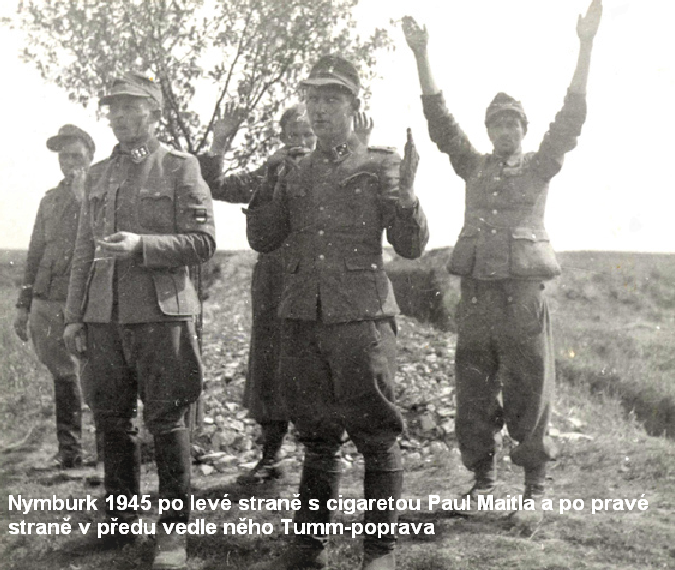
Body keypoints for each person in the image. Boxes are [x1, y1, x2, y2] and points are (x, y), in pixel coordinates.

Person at [402, 0, 602, 515]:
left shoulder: (540, 166)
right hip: (477, 298)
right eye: (497, 125)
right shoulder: (473, 166)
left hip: (523, 298)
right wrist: (422, 55)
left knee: (529, 387)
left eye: (514, 124)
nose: (506, 131)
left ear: (524, 130)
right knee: (473, 389)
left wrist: (585, 45)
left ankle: (534, 487)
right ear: (489, 131)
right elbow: (440, 123)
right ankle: (483, 480)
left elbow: (571, 118)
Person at [245, 55, 428, 570]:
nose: (320, 109)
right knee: (317, 436)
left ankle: (380, 552)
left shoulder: (380, 164)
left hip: (361, 319)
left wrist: (408, 197)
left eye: (331, 99)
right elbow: (263, 238)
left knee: (376, 435)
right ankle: (309, 547)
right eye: (313, 99)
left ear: (353, 106)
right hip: (303, 318)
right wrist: (268, 184)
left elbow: (411, 246)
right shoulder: (293, 169)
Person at [63, 71, 216, 569]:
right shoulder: (97, 174)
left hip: (160, 315)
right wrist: (74, 317)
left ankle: (173, 533)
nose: (121, 117)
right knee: (111, 420)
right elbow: (83, 250)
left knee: (166, 421)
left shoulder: (179, 167)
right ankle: (120, 524)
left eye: (132, 107)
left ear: (154, 113)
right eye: (114, 108)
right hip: (103, 317)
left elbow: (203, 242)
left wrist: (142, 246)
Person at [199, 106, 374, 485]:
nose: (301, 143)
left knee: (325, 361)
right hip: (276, 281)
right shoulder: (273, 170)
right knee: (270, 362)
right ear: (281, 139)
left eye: (308, 135)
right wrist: (219, 142)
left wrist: (360, 146)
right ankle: (271, 453)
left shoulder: (338, 168)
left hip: (323, 282)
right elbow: (216, 186)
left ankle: (327, 453)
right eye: (293, 135)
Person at [14, 124, 96, 472]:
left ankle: (108, 450)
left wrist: (82, 197)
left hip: (85, 298)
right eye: (64, 157)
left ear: (90, 157)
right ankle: (70, 449)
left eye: (76, 156)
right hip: (46, 298)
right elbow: (35, 252)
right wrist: (23, 305)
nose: (69, 163)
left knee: (98, 373)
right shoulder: (49, 199)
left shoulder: (100, 193)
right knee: (62, 373)